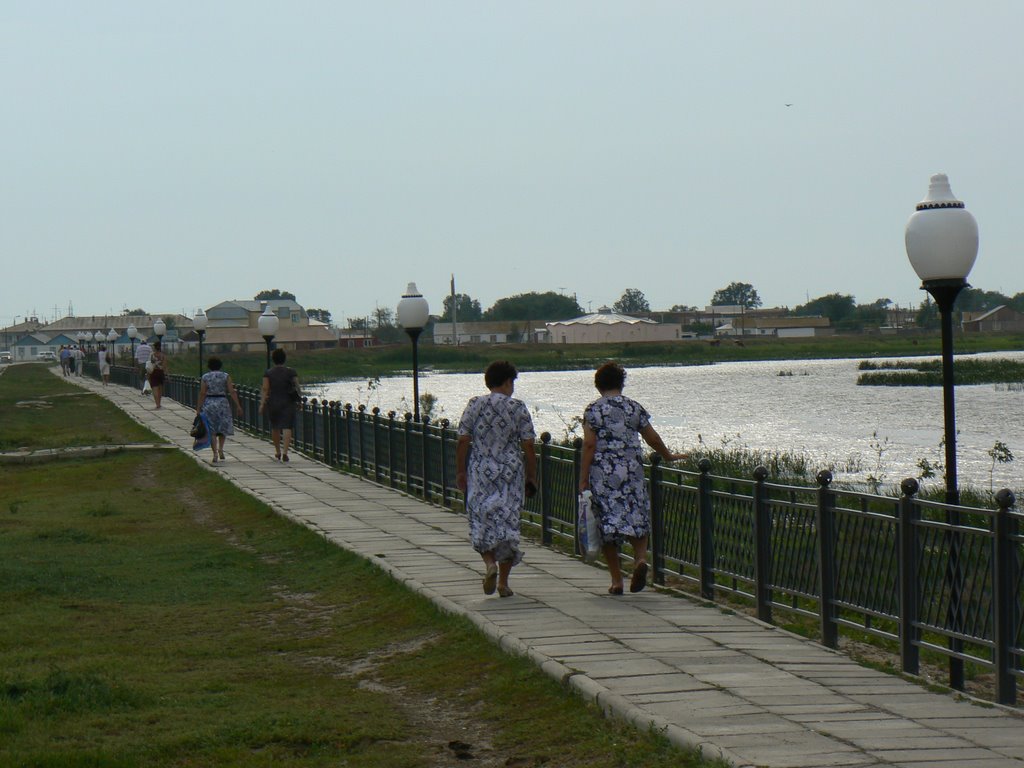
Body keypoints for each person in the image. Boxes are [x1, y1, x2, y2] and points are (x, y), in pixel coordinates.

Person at [579, 362, 686, 596]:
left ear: (598, 386)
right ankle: (639, 559)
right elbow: (652, 438)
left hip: (604, 475)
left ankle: (617, 581)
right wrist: (668, 456)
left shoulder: (593, 410)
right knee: (637, 515)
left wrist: (583, 478)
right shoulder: (633, 408)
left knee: (607, 524)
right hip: (632, 472)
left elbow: (588, 444)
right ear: (621, 383)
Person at [456, 361, 537, 598]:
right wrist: (532, 475)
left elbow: (463, 439)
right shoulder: (517, 407)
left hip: (481, 470)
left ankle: (489, 563)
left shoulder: (475, 404)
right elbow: (529, 445)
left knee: (481, 518)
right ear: (508, 382)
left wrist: (460, 471)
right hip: (510, 473)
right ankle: (503, 582)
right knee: (507, 522)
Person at [196, 357, 243, 464]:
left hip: (209, 403)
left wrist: (198, 407)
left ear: (209, 366)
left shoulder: (205, 377)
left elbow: (203, 393)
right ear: (220, 365)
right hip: (222, 402)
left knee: (212, 430)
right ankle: (221, 448)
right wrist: (238, 405)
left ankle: (215, 454)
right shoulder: (225, 376)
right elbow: (231, 391)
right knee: (223, 427)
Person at [260, 348, 299, 462]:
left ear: (273, 360)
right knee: (287, 427)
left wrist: (262, 404)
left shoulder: (268, 373)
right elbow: (297, 386)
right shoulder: (291, 371)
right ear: (284, 359)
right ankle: (285, 451)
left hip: (273, 402)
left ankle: (277, 451)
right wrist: (299, 400)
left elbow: (265, 388)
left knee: (275, 427)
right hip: (288, 401)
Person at [148, 341, 167, 409]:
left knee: (154, 389)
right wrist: (166, 373)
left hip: (153, 372)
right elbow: (164, 366)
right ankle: (159, 404)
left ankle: (157, 404)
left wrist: (148, 374)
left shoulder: (152, 355)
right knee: (160, 389)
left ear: (155, 347)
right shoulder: (163, 355)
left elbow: (149, 365)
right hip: (160, 373)